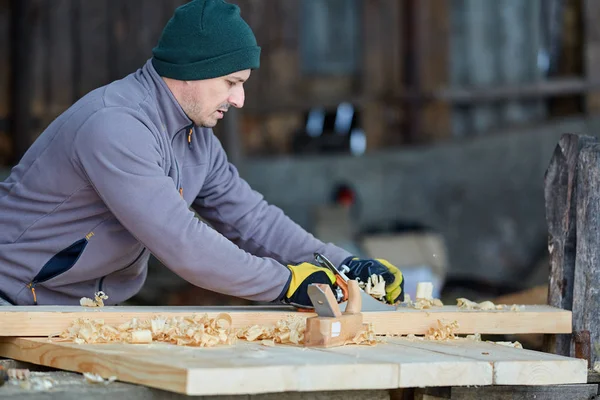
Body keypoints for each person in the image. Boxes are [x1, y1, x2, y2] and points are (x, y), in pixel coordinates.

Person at [0, 0, 404, 307]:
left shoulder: (196, 137)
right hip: (13, 302)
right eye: (231, 82)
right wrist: (286, 282)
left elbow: (252, 219)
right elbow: (183, 243)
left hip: (75, 314)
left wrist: (344, 265)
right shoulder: (114, 126)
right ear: (192, 69)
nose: (240, 99)